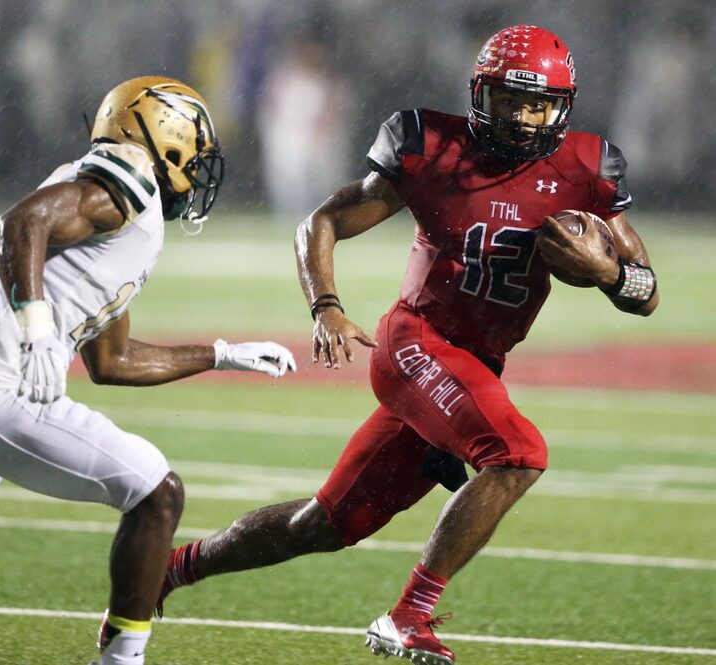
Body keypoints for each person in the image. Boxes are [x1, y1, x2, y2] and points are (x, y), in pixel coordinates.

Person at [155, 26, 659, 665]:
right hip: (415, 343)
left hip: (476, 365)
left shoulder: (586, 169)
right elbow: (325, 221)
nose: (524, 117)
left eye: (538, 104)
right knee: (520, 453)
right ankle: (408, 616)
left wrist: (611, 274)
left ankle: (169, 570)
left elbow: (646, 291)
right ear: (481, 93)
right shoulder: (431, 146)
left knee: (322, 525)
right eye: (509, 99)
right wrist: (326, 307)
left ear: (563, 105)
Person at [0, 76, 296, 665]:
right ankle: (123, 658)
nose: (200, 169)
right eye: (195, 151)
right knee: (157, 494)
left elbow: (113, 361)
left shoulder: (124, 211)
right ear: (165, 138)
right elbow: (21, 223)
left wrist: (222, 353)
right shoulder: (124, 178)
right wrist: (34, 330)